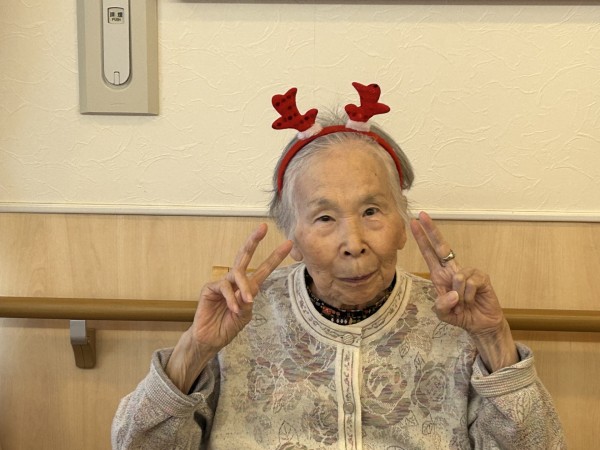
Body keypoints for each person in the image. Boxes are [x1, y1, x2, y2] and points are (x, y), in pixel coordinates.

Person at [112, 82, 566, 449]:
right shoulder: (240, 318)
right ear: (293, 238)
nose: (354, 244)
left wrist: (494, 340)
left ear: (403, 224)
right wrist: (194, 350)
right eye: (325, 218)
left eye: (372, 211)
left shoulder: (454, 318)